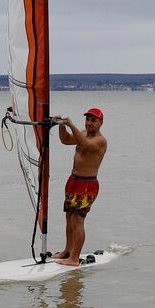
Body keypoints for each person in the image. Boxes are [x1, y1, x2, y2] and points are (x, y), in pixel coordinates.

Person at [49, 107, 108, 266]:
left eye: (93, 120)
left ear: (100, 122)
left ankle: (75, 258)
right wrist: (61, 125)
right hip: (73, 180)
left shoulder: (100, 140)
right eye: (88, 119)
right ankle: (67, 251)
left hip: (87, 184)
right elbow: (66, 140)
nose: (89, 123)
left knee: (77, 221)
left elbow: (86, 145)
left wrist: (71, 124)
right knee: (68, 217)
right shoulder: (82, 133)